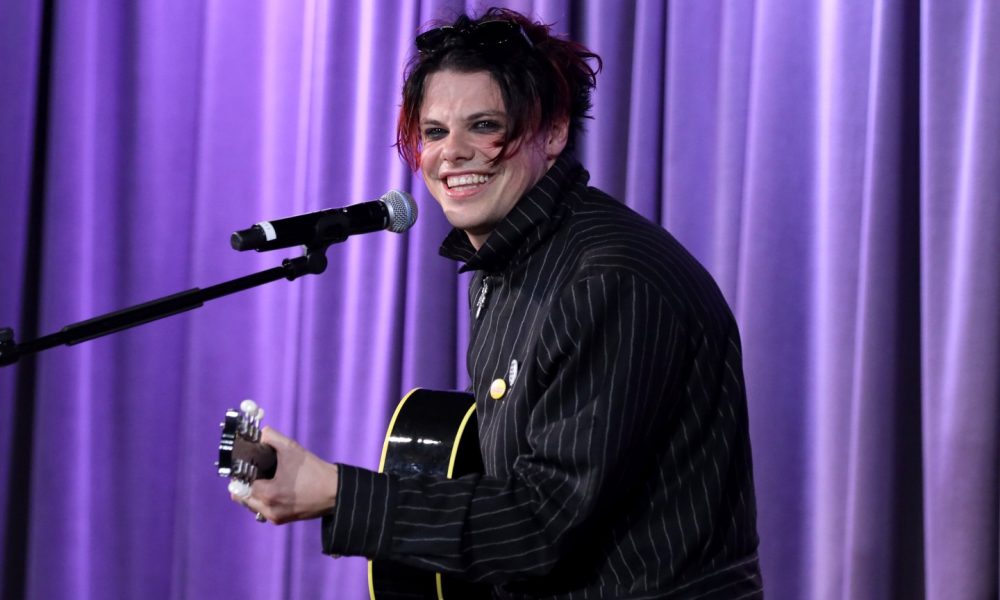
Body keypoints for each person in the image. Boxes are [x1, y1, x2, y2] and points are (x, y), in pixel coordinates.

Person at [234, 7, 762, 598]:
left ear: (553, 132)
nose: (452, 153)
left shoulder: (608, 281)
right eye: (434, 132)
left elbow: (542, 522)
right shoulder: (507, 265)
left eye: (484, 125)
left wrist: (335, 490)